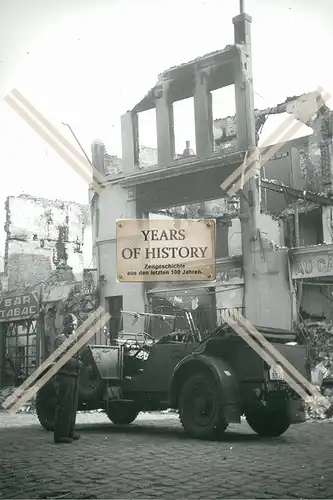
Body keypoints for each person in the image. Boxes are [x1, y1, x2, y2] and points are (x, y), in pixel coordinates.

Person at [53, 313, 82, 444]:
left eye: (75, 324)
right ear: (66, 325)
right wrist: (77, 363)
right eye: (72, 324)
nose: (74, 327)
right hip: (64, 375)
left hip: (73, 374)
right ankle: (60, 435)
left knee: (72, 405)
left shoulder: (74, 337)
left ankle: (70, 432)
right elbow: (63, 358)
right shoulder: (60, 339)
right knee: (64, 405)